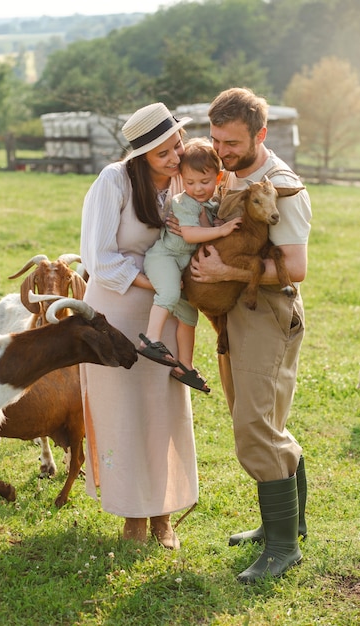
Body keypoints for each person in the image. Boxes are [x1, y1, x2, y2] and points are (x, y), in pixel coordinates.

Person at [189, 87, 312, 582]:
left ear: (261, 134)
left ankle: (283, 549)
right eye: (217, 139)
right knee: (256, 417)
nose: (222, 150)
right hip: (239, 313)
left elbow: (297, 269)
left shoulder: (283, 186)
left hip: (269, 311)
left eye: (233, 142)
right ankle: (285, 524)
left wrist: (224, 275)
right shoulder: (230, 173)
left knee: (255, 427)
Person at [79, 102, 199, 549]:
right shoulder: (114, 181)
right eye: (164, 151)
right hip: (116, 308)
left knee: (163, 406)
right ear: (142, 153)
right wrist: (159, 283)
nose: (175, 156)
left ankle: (163, 511)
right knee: (121, 412)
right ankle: (131, 513)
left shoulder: (181, 182)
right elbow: (99, 259)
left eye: (178, 145)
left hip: (161, 312)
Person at [138, 137, 242, 394]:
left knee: (188, 316)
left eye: (204, 182)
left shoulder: (212, 204)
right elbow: (190, 235)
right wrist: (222, 230)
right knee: (170, 293)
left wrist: (217, 224)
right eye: (190, 182)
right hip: (165, 257)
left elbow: (206, 227)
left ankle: (185, 364)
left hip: (182, 264)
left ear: (218, 179)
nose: (197, 188)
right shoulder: (183, 202)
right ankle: (150, 339)